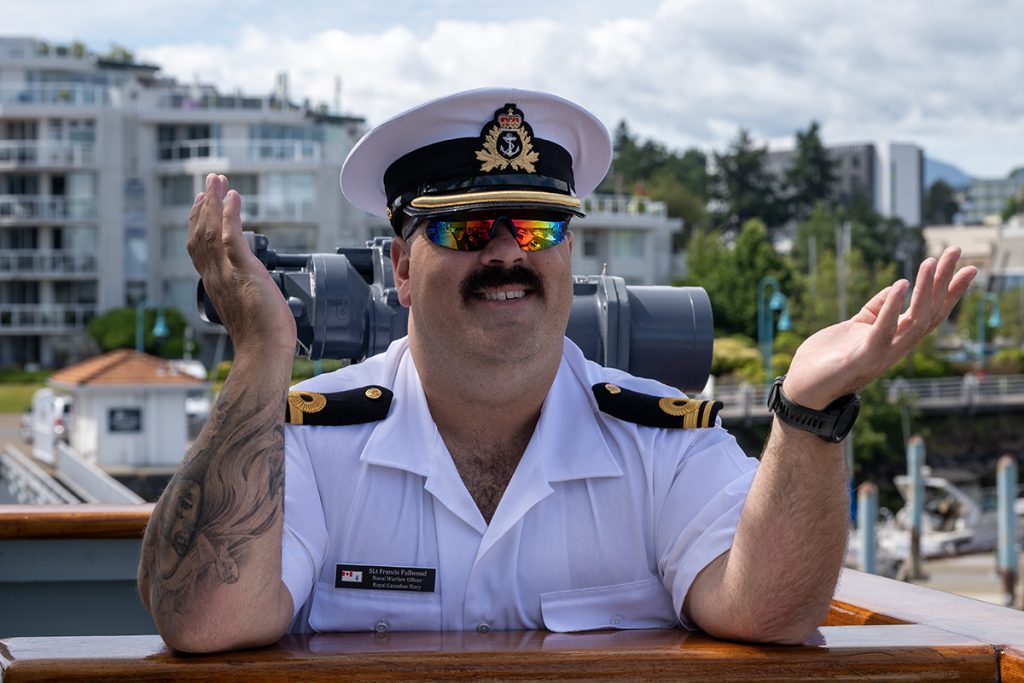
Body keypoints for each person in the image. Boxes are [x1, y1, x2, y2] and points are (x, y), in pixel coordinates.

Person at [137, 87, 976, 653]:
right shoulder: (310, 442)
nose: (508, 253)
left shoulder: (663, 441)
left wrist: (808, 408)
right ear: (399, 267)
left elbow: (772, 610)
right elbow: (205, 617)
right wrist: (260, 361)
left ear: (567, 252)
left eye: (537, 230)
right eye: (467, 230)